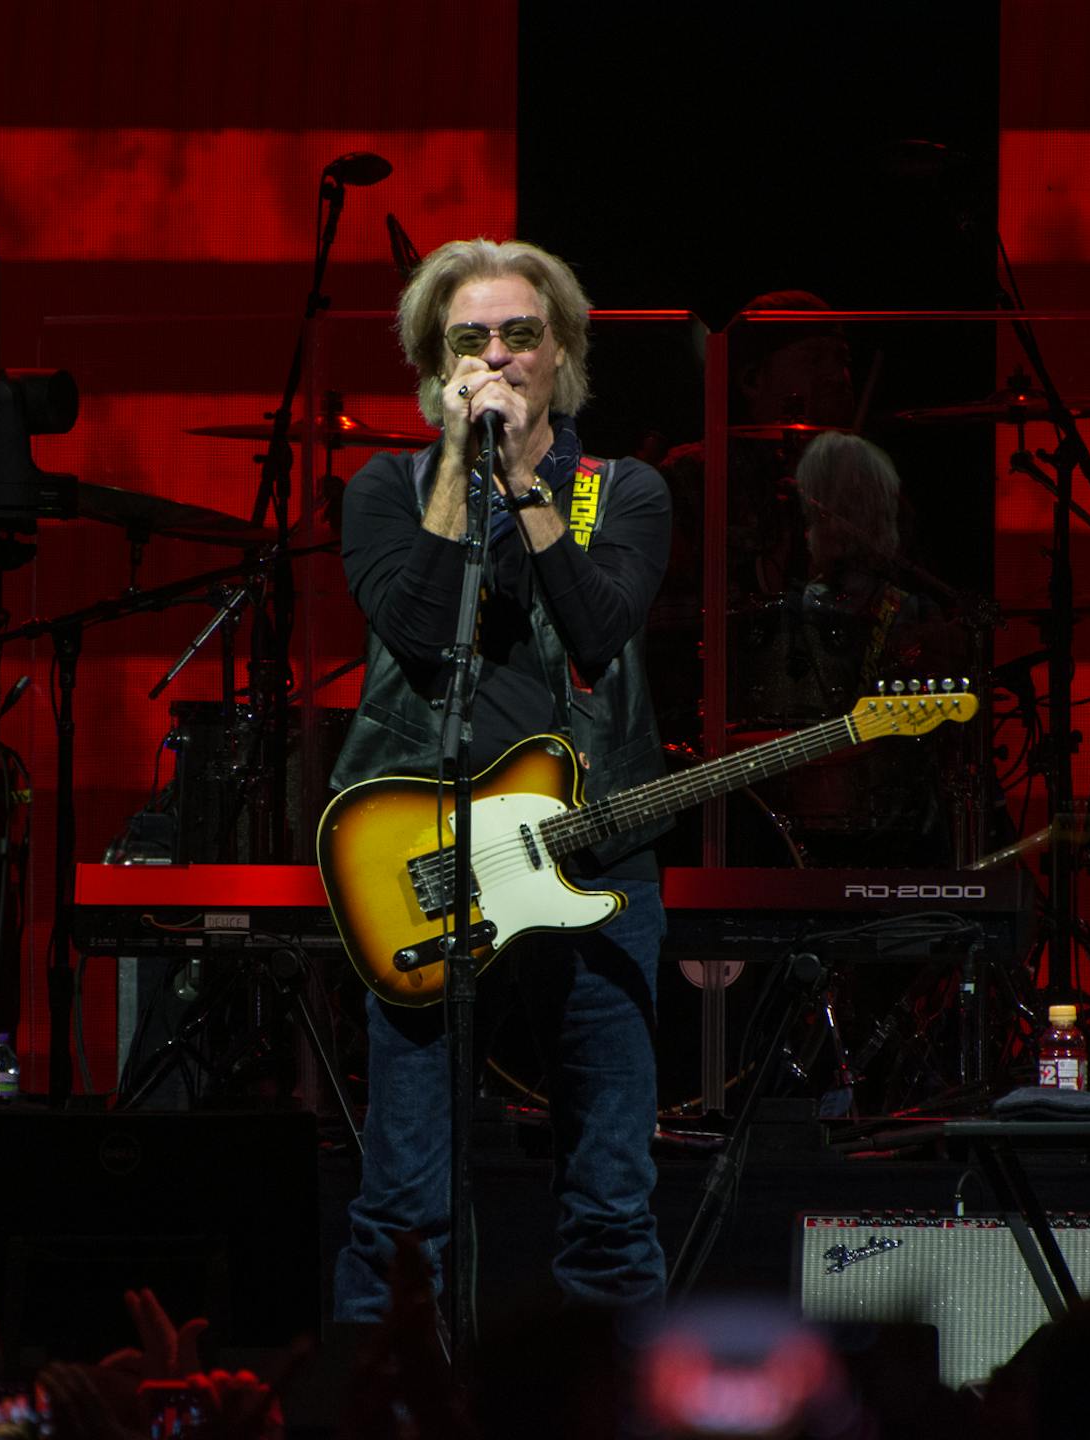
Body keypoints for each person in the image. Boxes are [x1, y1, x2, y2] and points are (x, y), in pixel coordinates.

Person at [328, 238, 673, 1316]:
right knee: (402, 1201)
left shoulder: (625, 491)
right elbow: (419, 635)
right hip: (424, 860)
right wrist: (453, 469)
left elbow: (598, 631)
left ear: (560, 354)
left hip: (594, 857)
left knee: (613, 1199)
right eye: (469, 340)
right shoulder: (383, 489)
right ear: (435, 370)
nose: (496, 360)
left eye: (519, 336)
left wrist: (525, 481)